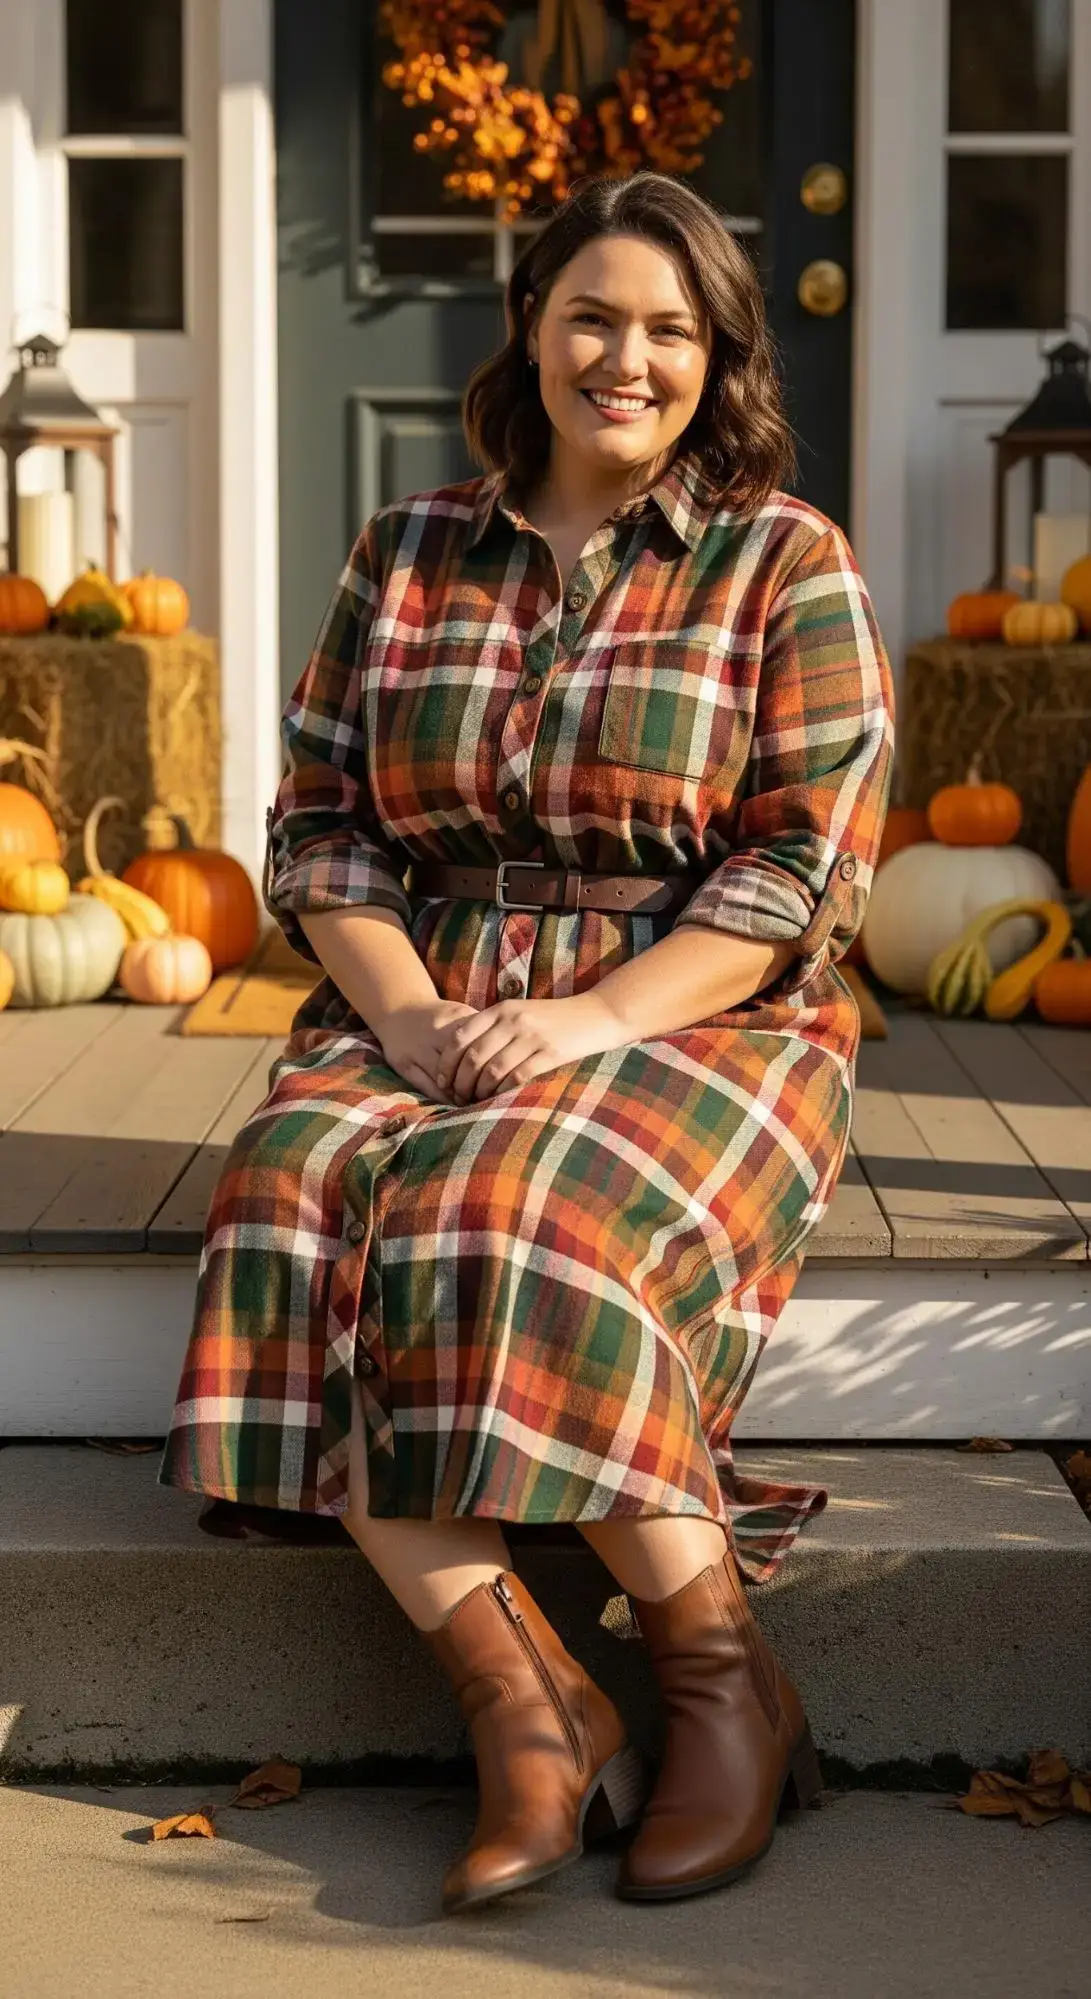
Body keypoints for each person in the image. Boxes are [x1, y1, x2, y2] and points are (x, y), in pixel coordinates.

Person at [159, 168, 893, 1913]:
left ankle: (718, 1678)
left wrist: (580, 1020)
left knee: (501, 1207)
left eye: (667, 331)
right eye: (590, 318)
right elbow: (322, 824)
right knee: (282, 1190)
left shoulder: (785, 563)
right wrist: (407, 1009)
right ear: (530, 328)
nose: (622, 359)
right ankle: (524, 1701)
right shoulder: (406, 550)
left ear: (715, 359)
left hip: (698, 1006)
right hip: (432, 993)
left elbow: (806, 864)